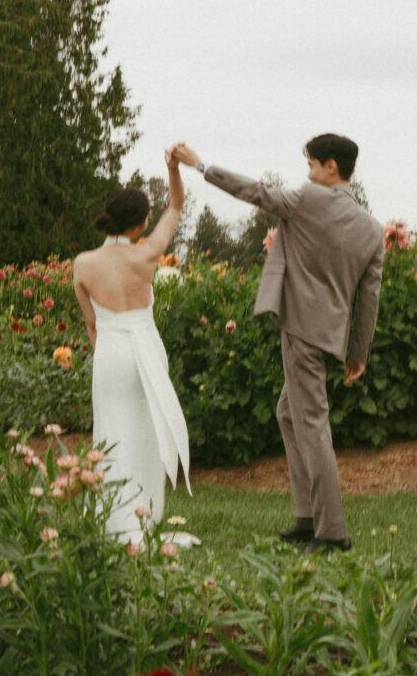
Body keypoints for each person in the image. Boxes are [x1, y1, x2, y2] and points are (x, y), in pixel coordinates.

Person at [171, 134, 384, 554]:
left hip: (302, 331)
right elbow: (369, 297)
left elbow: (253, 191)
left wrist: (200, 165)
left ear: (331, 168)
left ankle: (331, 533)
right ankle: (307, 516)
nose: (307, 173)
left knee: (311, 424)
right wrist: (359, 351)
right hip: (330, 337)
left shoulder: (307, 200)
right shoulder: (372, 230)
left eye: (310, 165)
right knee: (288, 413)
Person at [73, 151, 191, 540]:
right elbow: (176, 204)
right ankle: (145, 513)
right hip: (146, 350)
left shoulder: (83, 263)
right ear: (141, 224)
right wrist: (173, 167)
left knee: (111, 432)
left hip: (110, 353)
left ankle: (112, 518)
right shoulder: (146, 253)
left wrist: (106, 354)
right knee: (146, 432)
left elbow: (92, 325)